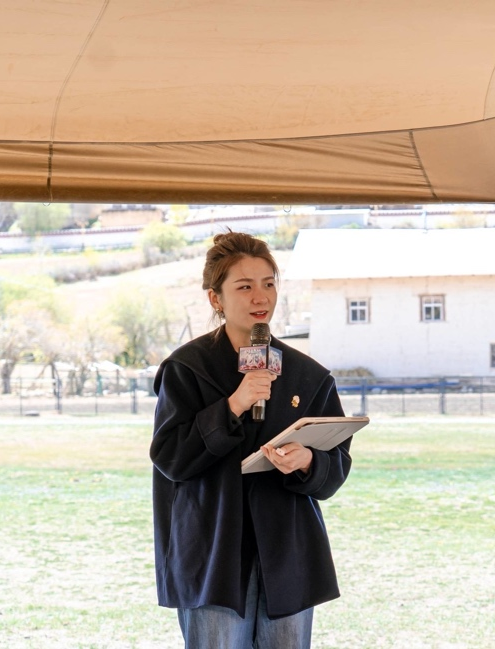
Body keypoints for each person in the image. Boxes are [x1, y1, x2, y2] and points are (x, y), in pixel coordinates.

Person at [149, 231, 351, 649]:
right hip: (213, 553)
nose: (261, 297)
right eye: (244, 286)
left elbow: (335, 469)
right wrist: (234, 404)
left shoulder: (309, 376)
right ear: (216, 299)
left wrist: (308, 462)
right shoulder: (186, 369)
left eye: (269, 283)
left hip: (287, 555)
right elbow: (170, 458)